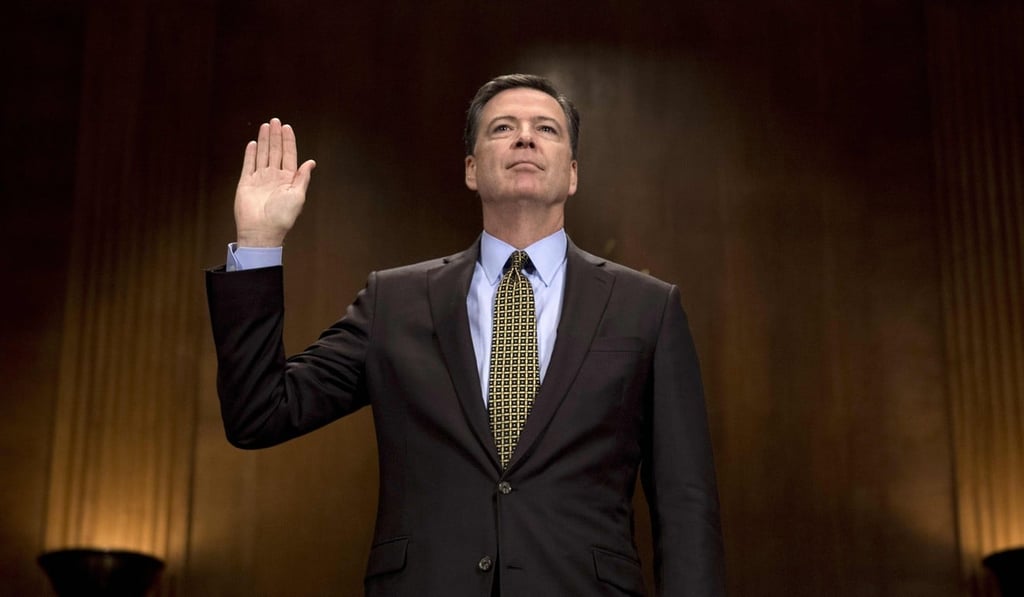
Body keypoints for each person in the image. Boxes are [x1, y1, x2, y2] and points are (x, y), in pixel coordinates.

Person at [206, 73, 725, 597]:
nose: (525, 137)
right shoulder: (396, 301)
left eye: (545, 128)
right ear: (472, 170)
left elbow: (685, 502)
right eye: (503, 127)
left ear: (572, 174)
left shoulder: (647, 307)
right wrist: (258, 242)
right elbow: (260, 413)